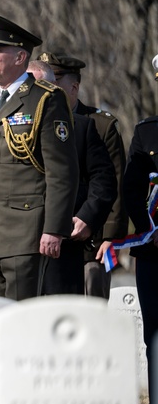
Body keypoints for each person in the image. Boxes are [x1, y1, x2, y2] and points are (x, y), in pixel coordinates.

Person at [0, 15, 78, 300]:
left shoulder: (46, 98)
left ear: (20, 56)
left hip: (25, 235)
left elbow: (62, 172)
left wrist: (54, 229)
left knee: (19, 327)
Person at [40, 51, 128, 298]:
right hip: (48, 238)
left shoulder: (99, 125)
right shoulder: (35, 122)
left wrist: (111, 236)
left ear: (74, 87)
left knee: (90, 309)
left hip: (90, 242)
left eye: (53, 82)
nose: (46, 89)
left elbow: (114, 182)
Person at [122, 52, 158, 404]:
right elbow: (132, 190)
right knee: (155, 332)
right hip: (155, 252)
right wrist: (149, 230)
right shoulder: (147, 132)